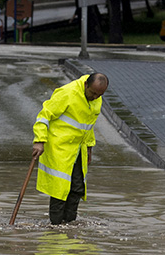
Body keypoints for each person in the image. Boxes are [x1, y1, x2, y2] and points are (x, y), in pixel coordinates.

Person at [30, 73, 108, 225]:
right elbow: (44, 116)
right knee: (60, 190)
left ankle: (70, 224)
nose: (95, 97)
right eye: (93, 93)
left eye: (99, 95)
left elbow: (88, 126)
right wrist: (39, 140)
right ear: (86, 85)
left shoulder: (97, 98)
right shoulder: (67, 93)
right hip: (59, 147)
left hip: (79, 149)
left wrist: (89, 148)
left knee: (77, 188)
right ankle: (56, 227)